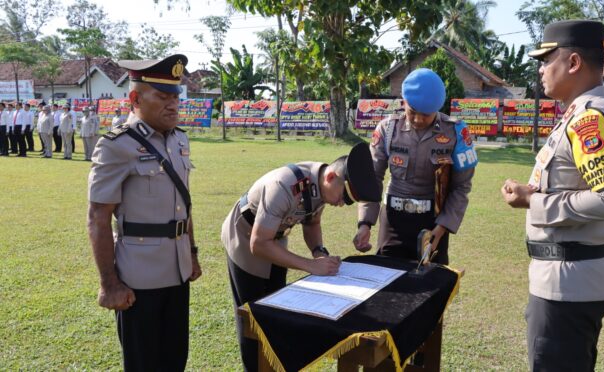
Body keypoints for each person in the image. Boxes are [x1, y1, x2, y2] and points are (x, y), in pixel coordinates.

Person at [500, 20, 604, 371]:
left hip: (569, 284)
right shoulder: (580, 113)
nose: (542, 70)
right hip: (572, 276)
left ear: (573, 63)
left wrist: (534, 201)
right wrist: (535, 190)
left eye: (547, 60)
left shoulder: (589, 119)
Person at [221, 142, 381, 371]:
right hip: (245, 238)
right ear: (331, 177)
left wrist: (319, 253)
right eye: (345, 196)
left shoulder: (322, 187)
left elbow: (312, 222)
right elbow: (258, 244)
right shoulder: (284, 185)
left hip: (274, 237)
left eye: (349, 202)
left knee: (276, 310)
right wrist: (310, 266)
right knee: (253, 316)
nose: (343, 204)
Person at [88, 54, 201, 371]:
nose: (173, 105)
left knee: (175, 360)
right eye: (162, 97)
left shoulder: (179, 139)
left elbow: (184, 204)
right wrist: (109, 284)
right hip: (138, 279)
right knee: (143, 364)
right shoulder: (116, 145)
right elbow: (97, 218)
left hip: (177, 272)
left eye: (175, 97)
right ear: (135, 98)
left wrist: (191, 253)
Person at [354, 68, 477, 265]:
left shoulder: (456, 133)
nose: (419, 120)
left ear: (438, 107)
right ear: (403, 102)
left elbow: (461, 187)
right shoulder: (387, 129)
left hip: (433, 224)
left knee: (431, 284)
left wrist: (442, 228)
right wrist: (365, 223)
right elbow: (373, 177)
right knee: (387, 282)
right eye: (413, 112)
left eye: (426, 115)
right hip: (393, 221)